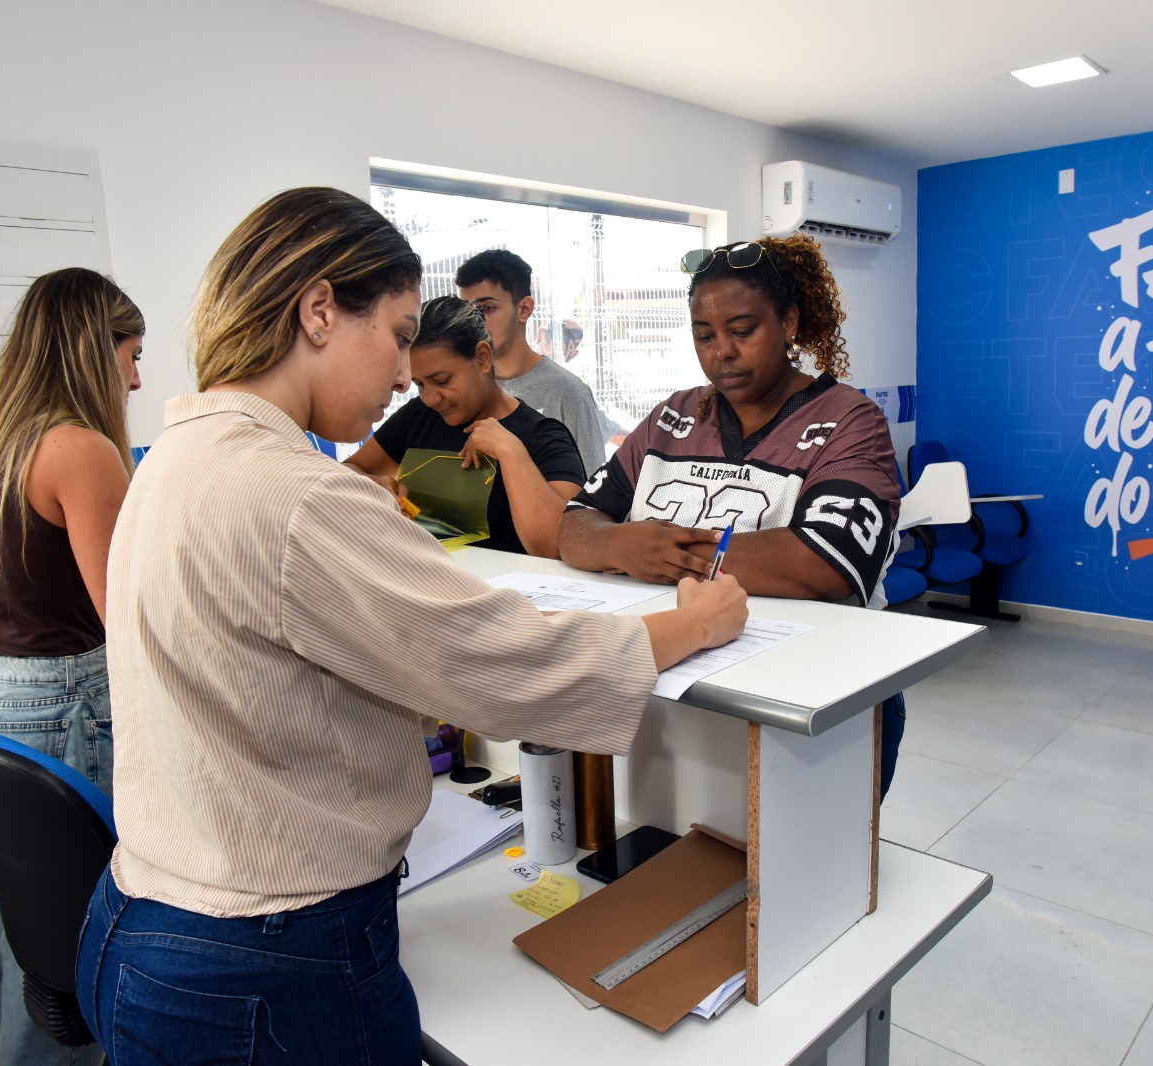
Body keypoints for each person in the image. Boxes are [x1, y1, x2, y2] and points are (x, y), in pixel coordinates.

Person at [75, 187, 747, 1065]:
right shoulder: (299, 495)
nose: (403, 377)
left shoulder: (176, 457)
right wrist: (691, 625)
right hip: (267, 963)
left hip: (140, 922)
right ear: (319, 310)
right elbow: (506, 665)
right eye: (396, 336)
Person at [558, 234, 911, 796]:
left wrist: (667, 553)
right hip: (685, 689)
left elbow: (824, 564)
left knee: (807, 848)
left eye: (743, 331)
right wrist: (623, 544)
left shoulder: (849, 420)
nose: (721, 351)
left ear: (789, 323)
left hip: (815, 698)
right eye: (704, 335)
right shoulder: (671, 418)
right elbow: (575, 524)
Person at [0, 266, 143, 1066]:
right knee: (77, 964)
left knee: (23, 944)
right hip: (63, 713)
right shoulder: (80, 449)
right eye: (130, 354)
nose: (135, 378)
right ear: (92, 349)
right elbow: (127, 619)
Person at [346, 295, 583, 557]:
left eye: (442, 380)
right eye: (420, 385)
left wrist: (511, 453)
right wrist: (374, 484)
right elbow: (346, 472)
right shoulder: (419, 416)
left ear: (482, 357)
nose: (431, 399)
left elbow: (561, 546)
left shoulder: (543, 438)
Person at [456, 249, 609, 475]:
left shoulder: (568, 394)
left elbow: (593, 487)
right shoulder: (462, 388)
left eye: (487, 308)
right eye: (466, 311)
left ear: (524, 309)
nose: (474, 321)